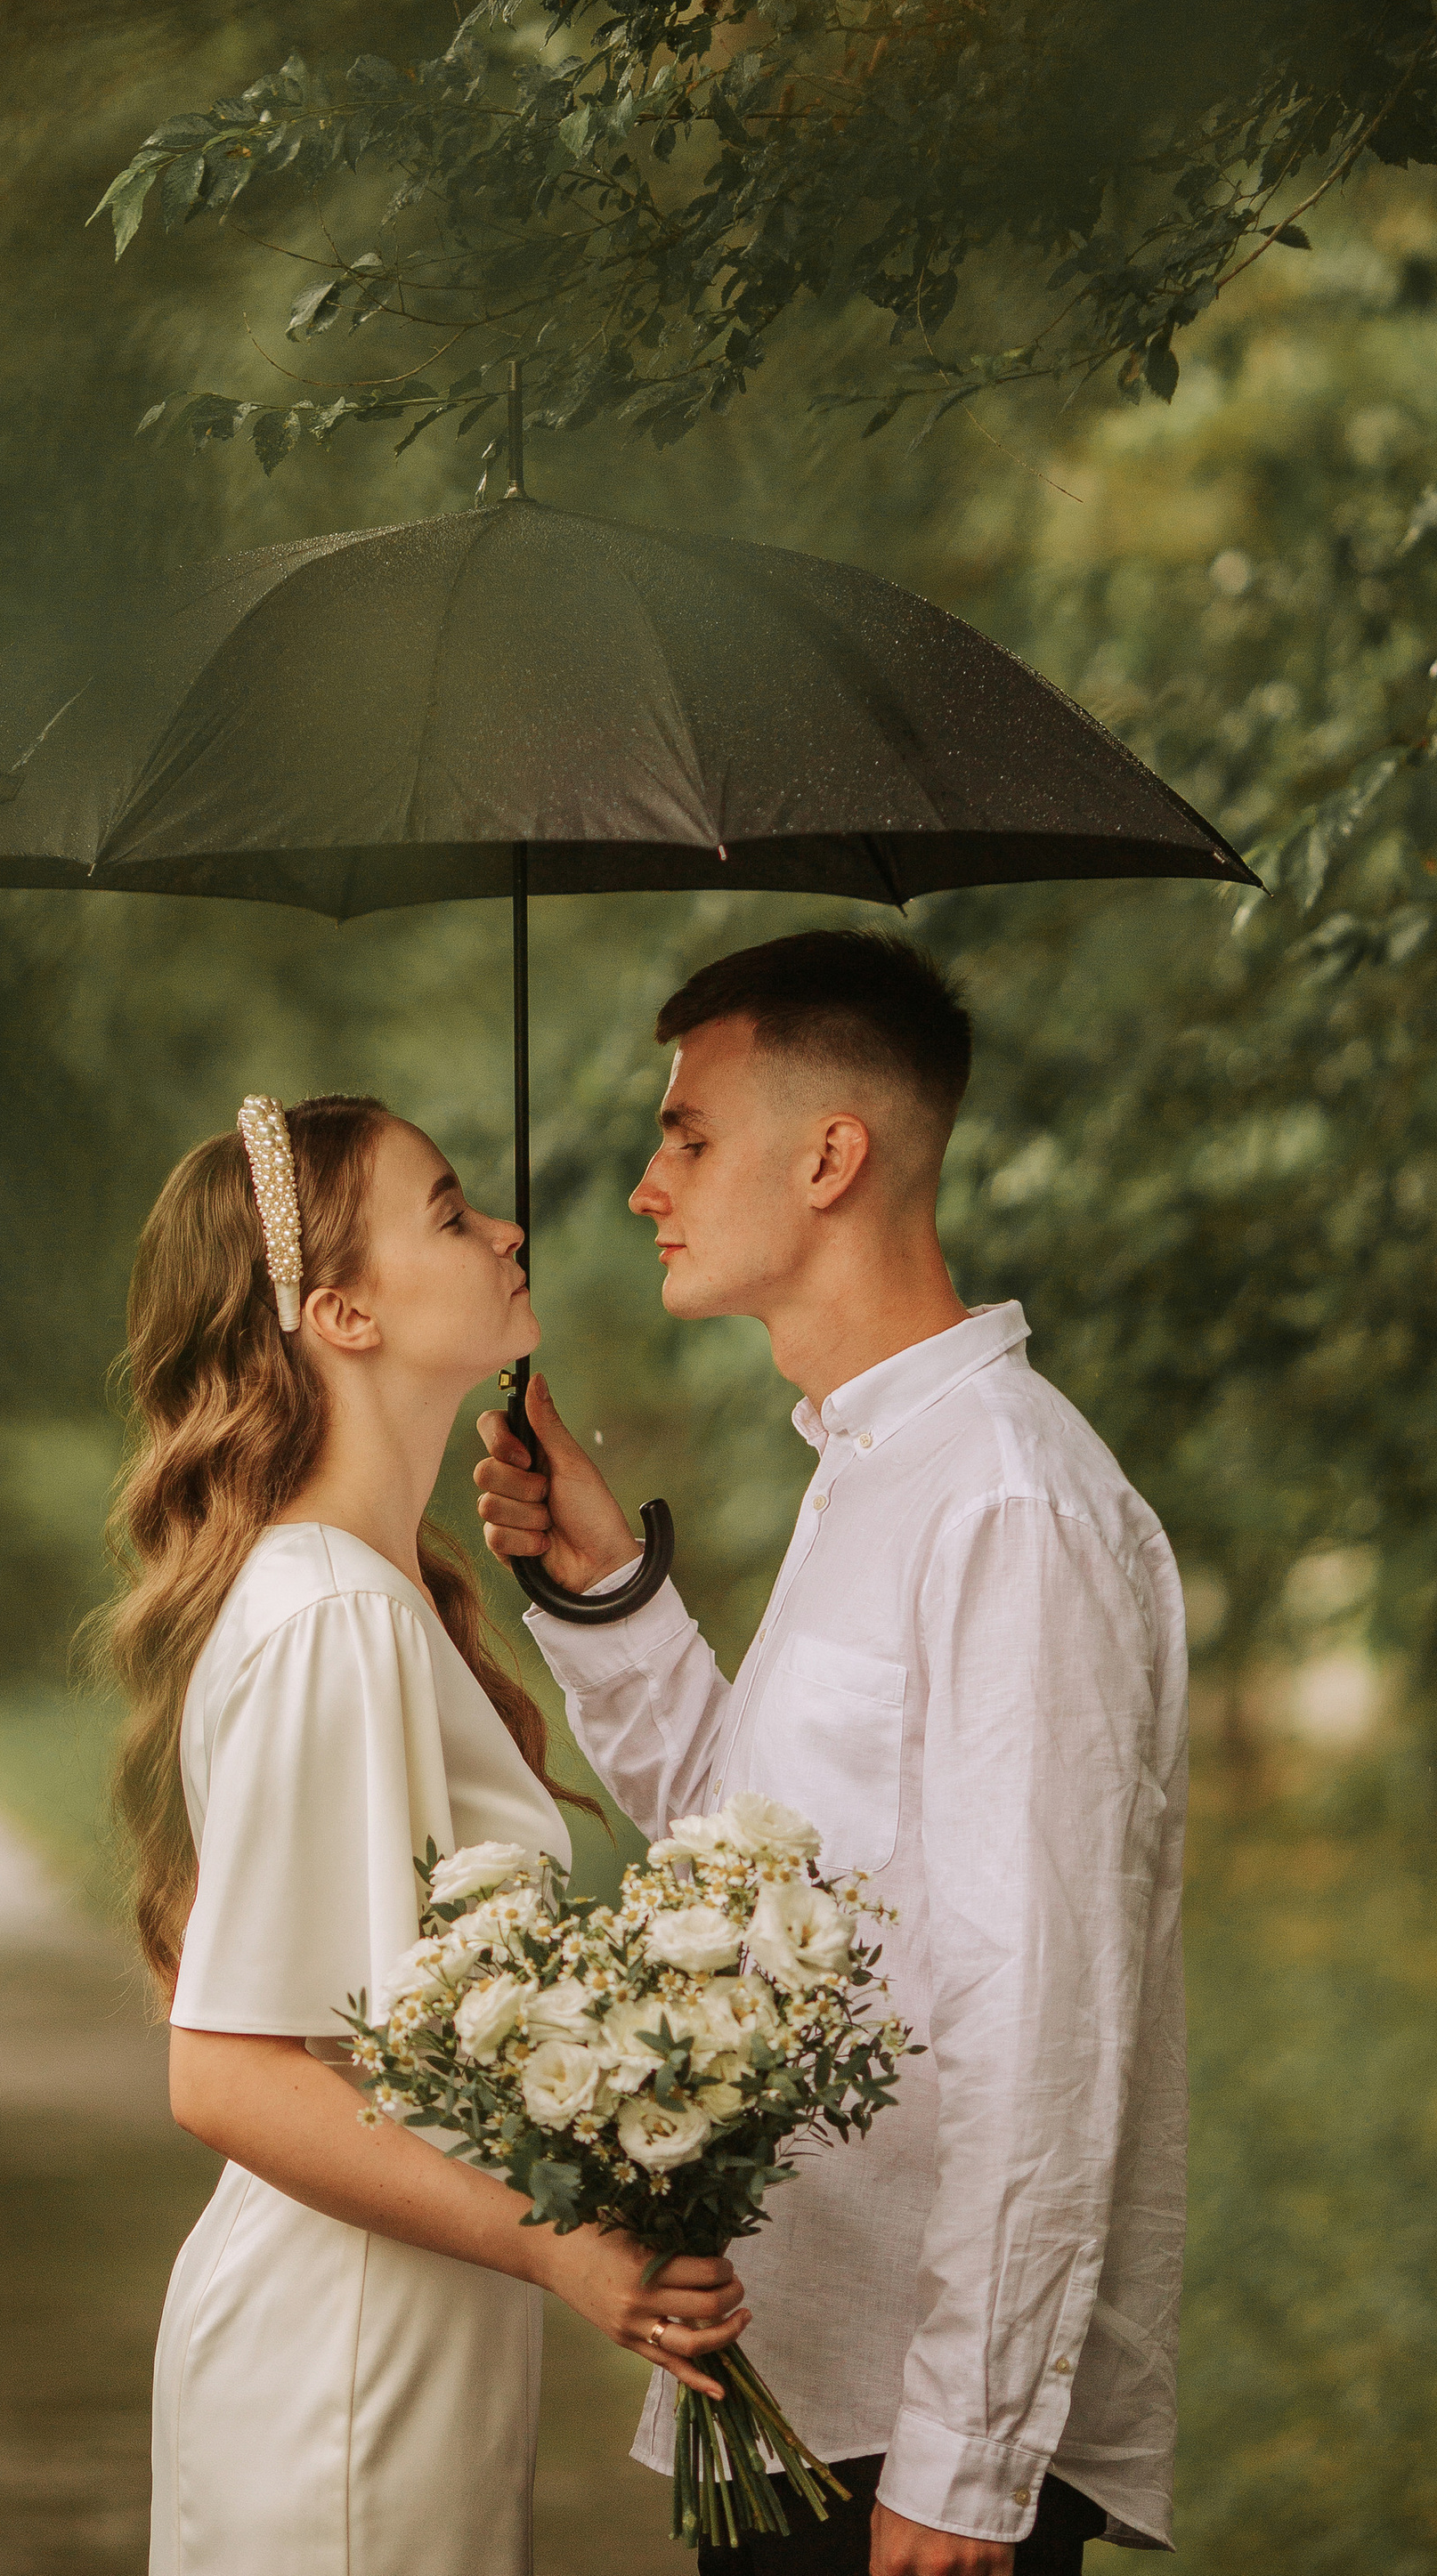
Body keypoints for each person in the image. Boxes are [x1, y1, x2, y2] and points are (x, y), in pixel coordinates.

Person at [475, 933, 1188, 2576]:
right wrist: (599, 1589)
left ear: (832, 1156)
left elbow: (1045, 2011)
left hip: (912, 2450)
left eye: (688, 1136)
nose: (648, 1186)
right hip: (797, 2377)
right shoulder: (870, 1469)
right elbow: (755, 1867)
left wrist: (969, 2455)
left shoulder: (1008, 1497)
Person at [101, 1090, 749, 2576]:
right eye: (451, 1213)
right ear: (339, 1310)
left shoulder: (361, 1599)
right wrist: (556, 2242)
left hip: (405, 2343)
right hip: (342, 2372)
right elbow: (229, 2074)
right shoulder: (330, 1616)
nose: (507, 1229)